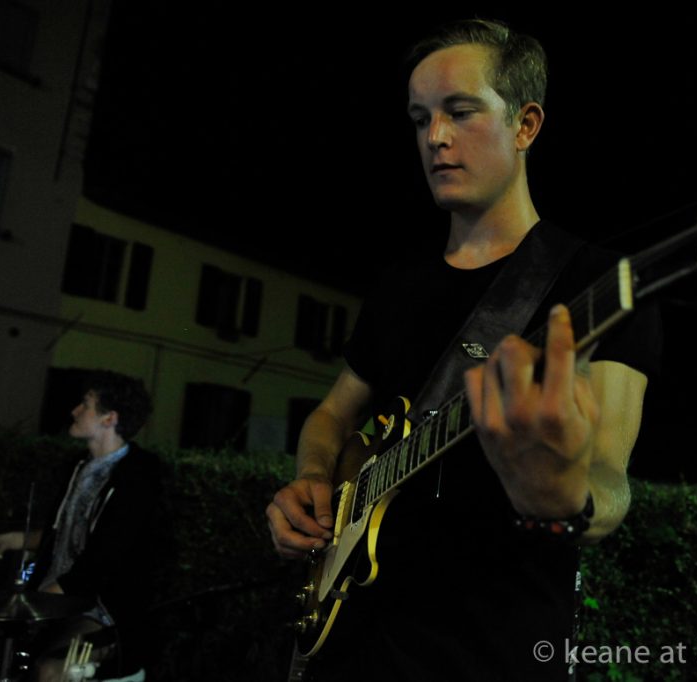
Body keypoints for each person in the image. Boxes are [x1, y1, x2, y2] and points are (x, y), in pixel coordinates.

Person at [267, 19, 659, 681]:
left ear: (525, 124)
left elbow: (611, 483)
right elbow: (332, 416)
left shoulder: (597, 285)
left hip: (492, 654)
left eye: (460, 111)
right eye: (420, 119)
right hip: (351, 645)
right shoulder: (398, 285)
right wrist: (311, 479)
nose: (435, 137)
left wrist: (569, 499)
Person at [0, 370, 159, 681]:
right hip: (58, 602)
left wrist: (40, 600)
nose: (75, 411)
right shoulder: (79, 467)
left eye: (86, 404)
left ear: (109, 418)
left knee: (51, 670)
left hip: (99, 611)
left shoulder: (137, 477)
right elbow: (64, 534)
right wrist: (10, 540)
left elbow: (105, 558)